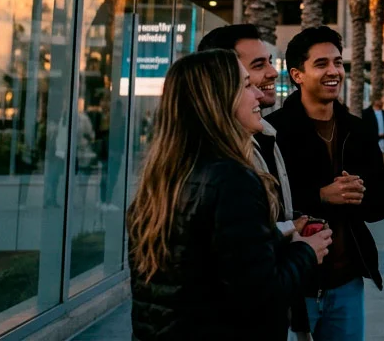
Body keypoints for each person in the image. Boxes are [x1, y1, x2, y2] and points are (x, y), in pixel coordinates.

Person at [128, 49, 331, 340]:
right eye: (246, 85)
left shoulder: (161, 181)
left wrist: (278, 234)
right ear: (219, 100)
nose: (258, 96)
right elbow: (261, 295)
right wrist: (307, 252)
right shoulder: (232, 179)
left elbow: (205, 265)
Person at [267, 26, 384, 341]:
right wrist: (321, 196)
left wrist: (359, 193)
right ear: (297, 74)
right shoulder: (274, 132)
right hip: (294, 281)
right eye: (321, 63)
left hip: (346, 281)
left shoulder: (358, 130)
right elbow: (265, 205)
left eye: (338, 62)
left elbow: (383, 202)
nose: (334, 71)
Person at [198, 24, 297, 235]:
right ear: (224, 76)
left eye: (270, 62)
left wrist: (292, 228)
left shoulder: (267, 133)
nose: (273, 72)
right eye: (258, 65)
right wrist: (303, 251)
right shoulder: (217, 158)